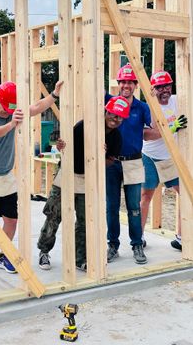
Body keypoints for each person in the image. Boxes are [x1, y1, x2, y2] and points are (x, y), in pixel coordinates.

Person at [0, 80, 63, 274]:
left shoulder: (12, 111)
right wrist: (12, 123)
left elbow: (36, 107)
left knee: (11, 220)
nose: (6, 112)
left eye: (11, 109)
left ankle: (4, 254)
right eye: (4, 108)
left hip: (5, 175)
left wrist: (55, 94)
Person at [37, 96, 130, 271]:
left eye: (120, 117)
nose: (115, 120)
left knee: (84, 221)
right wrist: (61, 145)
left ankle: (80, 259)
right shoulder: (84, 126)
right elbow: (64, 144)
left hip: (87, 179)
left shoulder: (116, 137)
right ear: (106, 112)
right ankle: (44, 251)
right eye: (113, 115)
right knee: (53, 215)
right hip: (67, 174)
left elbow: (110, 161)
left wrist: (100, 157)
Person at [106, 63, 151, 265]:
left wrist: (171, 128)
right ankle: (112, 245)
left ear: (135, 85)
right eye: (123, 81)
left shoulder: (141, 108)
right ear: (118, 83)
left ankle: (137, 244)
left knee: (134, 207)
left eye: (129, 82)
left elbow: (151, 131)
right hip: (111, 163)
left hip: (133, 161)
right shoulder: (109, 102)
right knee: (111, 206)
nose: (126, 85)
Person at [140, 70, 187, 250]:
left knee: (185, 193)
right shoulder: (148, 107)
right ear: (153, 89)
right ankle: (139, 237)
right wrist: (171, 128)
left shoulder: (178, 101)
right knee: (146, 196)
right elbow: (146, 135)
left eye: (167, 85)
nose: (164, 90)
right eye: (159, 87)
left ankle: (182, 238)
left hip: (171, 157)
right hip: (150, 157)